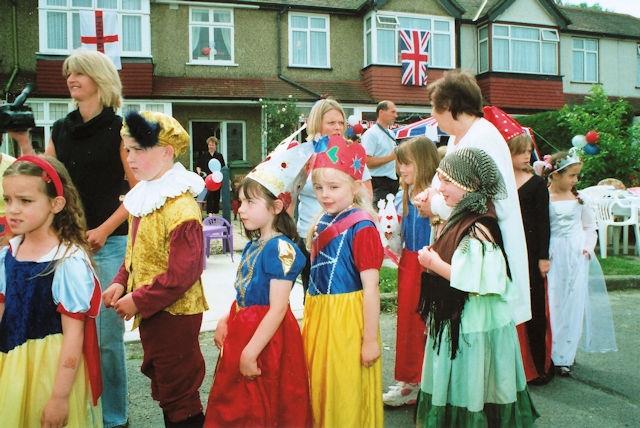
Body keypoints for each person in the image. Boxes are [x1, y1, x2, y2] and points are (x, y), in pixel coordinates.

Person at [27, 49, 135, 428]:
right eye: (68, 72)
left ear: (99, 79)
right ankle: (79, 414)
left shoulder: (121, 130)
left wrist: (105, 229)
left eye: (79, 73)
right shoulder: (59, 130)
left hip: (111, 246)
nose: (71, 78)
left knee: (106, 342)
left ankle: (114, 418)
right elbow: (46, 181)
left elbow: (139, 194)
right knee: (65, 337)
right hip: (68, 247)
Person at [415, 147, 539, 426]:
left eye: (446, 180)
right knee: (464, 378)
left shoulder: (478, 229)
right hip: (462, 317)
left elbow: (476, 279)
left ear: (468, 185)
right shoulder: (462, 216)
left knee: (471, 379)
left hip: (474, 320)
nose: (439, 186)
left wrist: (433, 263)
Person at [102, 111, 208, 427]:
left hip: (176, 314)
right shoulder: (146, 196)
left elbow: (183, 274)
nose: (130, 158)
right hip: (155, 311)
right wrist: (121, 282)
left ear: (166, 152)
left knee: (179, 390)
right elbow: (134, 253)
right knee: (163, 381)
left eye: (138, 150)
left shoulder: (180, 207)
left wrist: (139, 300)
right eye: (127, 150)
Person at [416, 70, 531, 327]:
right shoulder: (464, 137)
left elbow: (478, 202)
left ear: (448, 106)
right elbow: (447, 180)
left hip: (481, 246)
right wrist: (430, 194)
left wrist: (432, 205)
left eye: (434, 108)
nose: (433, 115)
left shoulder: (481, 138)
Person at [205, 157, 311, 426]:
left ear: (276, 206)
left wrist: (250, 352)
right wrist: (226, 319)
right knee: (238, 403)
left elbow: (277, 308)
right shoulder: (254, 245)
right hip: (244, 332)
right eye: (240, 202)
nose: (241, 210)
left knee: (262, 403)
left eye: (250, 203)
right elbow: (245, 292)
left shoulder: (283, 249)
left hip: (268, 341)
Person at [0, 155, 102, 426]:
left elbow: (73, 335)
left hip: (51, 371)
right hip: (11, 364)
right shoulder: (8, 253)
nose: (13, 210)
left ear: (56, 204)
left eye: (25, 201)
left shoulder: (67, 261)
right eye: (8, 199)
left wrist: (59, 397)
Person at [304, 135, 384, 427]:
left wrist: (371, 340)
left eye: (334, 187)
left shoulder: (362, 227)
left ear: (355, 185)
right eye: (319, 187)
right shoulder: (322, 220)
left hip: (348, 323)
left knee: (345, 388)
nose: (325, 194)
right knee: (322, 384)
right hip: (321, 318)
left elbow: (372, 289)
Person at [484, 106, 553, 383]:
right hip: (506, 252)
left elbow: (545, 223)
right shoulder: (498, 183)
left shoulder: (536, 184)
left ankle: (537, 366)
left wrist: (543, 257)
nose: (526, 156)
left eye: (528, 151)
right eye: (519, 151)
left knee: (533, 308)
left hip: (531, 253)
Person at [541, 149, 617, 377]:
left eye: (576, 176)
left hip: (575, 254)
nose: (575, 180)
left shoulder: (580, 199)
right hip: (554, 253)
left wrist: (587, 246)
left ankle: (566, 355)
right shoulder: (544, 198)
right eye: (571, 175)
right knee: (553, 302)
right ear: (555, 175)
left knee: (573, 303)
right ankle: (551, 353)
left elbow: (589, 227)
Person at [293, 98, 373, 295]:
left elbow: (366, 194)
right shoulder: (302, 154)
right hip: (309, 235)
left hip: (344, 234)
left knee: (343, 293)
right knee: (312, 294)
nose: (338, 127)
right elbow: (291, 197)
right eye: (331, 123)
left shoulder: (351, 152)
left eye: (341, 123)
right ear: (316, 123)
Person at [382, 137, 439, 407]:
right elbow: (398, 237)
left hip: (427, 265)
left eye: (406, 163)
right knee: (408, 323)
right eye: (399, 164)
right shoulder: (403, 194)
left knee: (423, 324)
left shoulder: (434, 197)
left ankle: (419, 380)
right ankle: (410, 380)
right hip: (409, 263)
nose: (400, 169)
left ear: (423, 163)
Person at [362, 100, 399, 204]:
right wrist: (391, 157)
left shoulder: (391, 133)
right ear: (381, 112)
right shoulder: (371, 134)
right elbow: (367, 162)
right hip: (378, 182)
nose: (396, 115)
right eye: (393, 112)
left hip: (392, 180)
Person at [196, 136, 226, 214]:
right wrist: (199, 172)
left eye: (213, 145)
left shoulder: (219, 156)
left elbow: (223, 167)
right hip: (208, 180)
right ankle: (210, 214)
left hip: (217, 180)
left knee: (216, 197)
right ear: (208, 145)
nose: (211, 146)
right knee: (209, 197)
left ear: (216, 146)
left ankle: (216, 214)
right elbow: (198, 166)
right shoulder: (204, 155)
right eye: (209, 145)